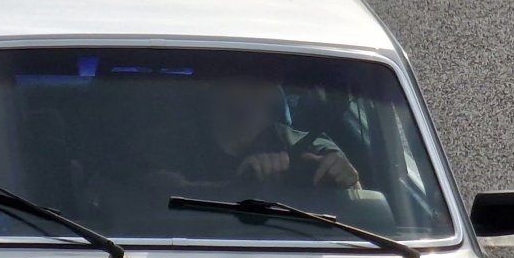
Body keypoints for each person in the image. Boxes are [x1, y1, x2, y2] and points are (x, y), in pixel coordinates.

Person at [139, 72, 361, 194]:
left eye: (270, 77)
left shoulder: (309, 149)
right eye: (246, 75)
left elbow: (366, 215)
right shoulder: (172, 143)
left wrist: (347, 181)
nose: (260, 87)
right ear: (211, 83)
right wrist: (236, 188)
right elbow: (154, 194)